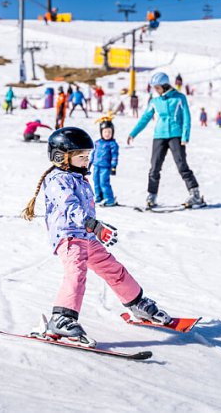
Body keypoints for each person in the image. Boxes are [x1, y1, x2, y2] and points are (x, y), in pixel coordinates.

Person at [22, 127, 172, 345]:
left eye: (88, 156)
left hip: (86, 236)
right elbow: (69, 206)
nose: (86, 161)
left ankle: (136, 303)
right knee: (76, 273)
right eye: (81, 156)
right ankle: (61, 318)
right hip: (69, 237)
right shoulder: (57, 180)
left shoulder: (78, 177)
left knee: (113, 268)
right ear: (60, 156)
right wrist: (92, 224)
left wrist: (95, 228)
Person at [127, 72, 204, 209]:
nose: (155, 90)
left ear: (164, 85)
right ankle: (152, 195)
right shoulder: (155, 101)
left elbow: (186, 117)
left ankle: (195, 194)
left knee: (182, 165)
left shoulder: (179, 98)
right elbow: (145, 118)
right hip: (159, 135)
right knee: (154, 167)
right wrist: (133, 133)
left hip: (176, 135)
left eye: (157, 87)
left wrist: (185, 136)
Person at [89, 120, 119, 207]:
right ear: (101, 132)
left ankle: (109, 199)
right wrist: (90, 163)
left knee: (104, 182)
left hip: (105, 167)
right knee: (96, 182)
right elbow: (93, 153)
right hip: (96, 166)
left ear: (112, 132)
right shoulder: (97, 143)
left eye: (109, 132)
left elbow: (114, 156)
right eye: (105, 131)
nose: (107, 134)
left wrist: (113, 167)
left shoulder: (113, 144)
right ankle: (99, 198)